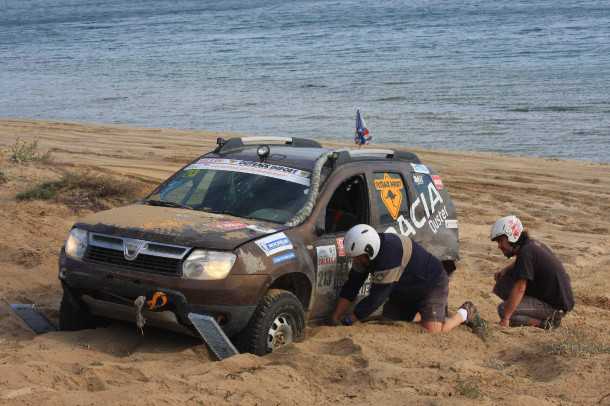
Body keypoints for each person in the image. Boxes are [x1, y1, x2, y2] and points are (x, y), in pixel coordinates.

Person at [331, 224, 480, 333]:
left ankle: (464, 313)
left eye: (357, 258)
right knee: (391, 323)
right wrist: (336, 316)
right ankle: (425, 313)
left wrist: (351, 319)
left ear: (369, 251)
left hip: (431, 284)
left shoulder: (389, 256)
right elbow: (352, 285)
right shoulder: (365, 255)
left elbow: (376, 298)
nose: (355, 261)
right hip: (403, 289)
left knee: (433, 332)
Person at [490, 215, 574, 329]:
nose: (499, 246)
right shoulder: (530, 245)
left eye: (500, 241)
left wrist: (505, 319)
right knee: (505, 281)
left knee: (503, 310)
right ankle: (530, 312)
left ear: (511, 237)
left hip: (554, 307)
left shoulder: (526, 252)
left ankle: (547, 324)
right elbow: (521, 263)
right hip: (554, 299)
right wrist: (505, 270)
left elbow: (520, 288)